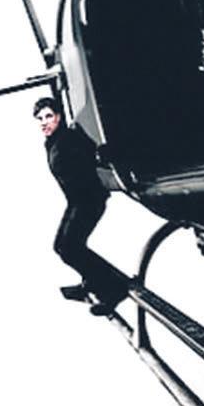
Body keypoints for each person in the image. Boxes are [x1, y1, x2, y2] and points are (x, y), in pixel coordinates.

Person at [34, 96, 128, 316]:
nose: (44, 122)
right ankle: (92, 280)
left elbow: (94, 153)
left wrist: (102, 153)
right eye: (39, 118)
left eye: (48, 116)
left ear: (59, 117)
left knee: (70, 249)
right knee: (60, 246)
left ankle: (114, 289)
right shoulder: (52, 142)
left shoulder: (69, 137)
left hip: (90, 200)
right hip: (76, 201)